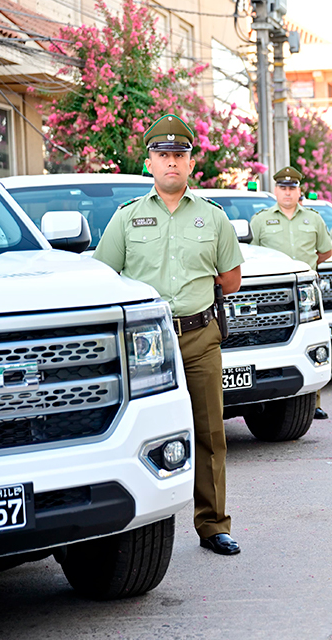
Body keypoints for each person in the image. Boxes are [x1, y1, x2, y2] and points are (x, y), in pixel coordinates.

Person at [93, 114, 244, 555]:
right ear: (150, 163)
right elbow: (105, 275)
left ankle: (213, 524)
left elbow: (230, 279)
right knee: (133, 430)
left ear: (191, 162)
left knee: (209, 432)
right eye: (163, 155)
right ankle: (128, 523)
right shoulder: (127, 218)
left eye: (179, 155)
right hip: (143, 344)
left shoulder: (213, 218)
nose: (171, 163)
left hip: (199, 337)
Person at [250, 165, 332, 421]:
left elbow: (325, 251)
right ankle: (267, 397)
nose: (287, 193)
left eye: (292, 188)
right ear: (275, 190)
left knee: (311, 341)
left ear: (299, 191)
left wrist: (308, 269)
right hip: (272, 293)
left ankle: (313, 402)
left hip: (306, 291)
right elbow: (253, 254)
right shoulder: (261, 220)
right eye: (283, 188)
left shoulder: (314, 219)